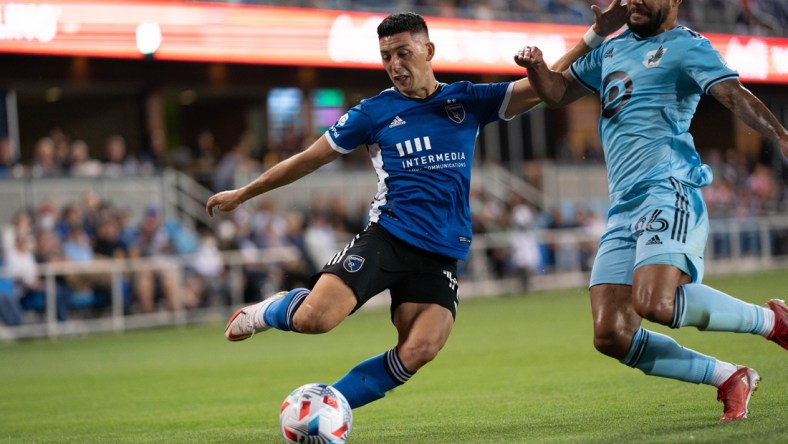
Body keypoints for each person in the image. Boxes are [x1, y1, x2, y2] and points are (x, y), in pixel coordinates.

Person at [207, 5, 627, 411]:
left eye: (403, 53)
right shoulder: (373, 112)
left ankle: (331, 404)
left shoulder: (467, 100)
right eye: (386, 56)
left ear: (428, 50)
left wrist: (596, 34)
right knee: (316, 319)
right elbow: (308, 159)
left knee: (422, 347)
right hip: (388, 236)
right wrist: (243, 193)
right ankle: (270, 308)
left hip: (442, 251)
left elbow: (542, 85)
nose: (394, 64)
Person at [515, 0, 788, 423]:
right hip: (623, 207)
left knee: (654, 302)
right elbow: (555, 92)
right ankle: (728, 376)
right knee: (611, 333)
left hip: (669, 188)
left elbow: (733, 95)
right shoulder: (610, 48)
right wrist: (536, 67)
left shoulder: (688, 47)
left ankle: (772, 322)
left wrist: (781, 137)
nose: (633, 1)